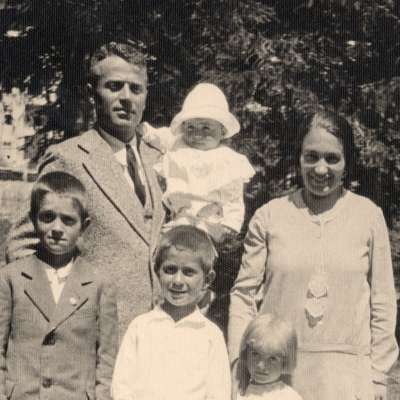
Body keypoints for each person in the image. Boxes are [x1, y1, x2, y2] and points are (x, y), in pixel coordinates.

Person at [228, 110, 398, 400]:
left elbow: (382, 302)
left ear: (347, 164)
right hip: (276, 378)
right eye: (311, 156)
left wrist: (378, 376)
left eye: (332, 158)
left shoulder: (369, 216)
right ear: (299, 158)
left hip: (346, 380)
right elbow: (243, 297)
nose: (321, 169)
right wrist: (238, 368)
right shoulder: (269, 216)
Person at [5, 40, 165, 335]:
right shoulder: (70, 158)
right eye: (114, 86)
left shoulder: (161, 159)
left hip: (157, 336)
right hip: (92, 339)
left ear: (145, 96)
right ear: (93, 94)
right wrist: (57, 322)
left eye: (135, 88)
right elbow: (24, 246)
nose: (126, 98)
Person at [0, 171, 118, 400]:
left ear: (84, 226)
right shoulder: (10, 279)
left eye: (68, 220)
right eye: (47, 217)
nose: (57, 228)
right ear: (33, 219)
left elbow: (107, 361)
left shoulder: (99, 284)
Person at [111, 225, 231, 400]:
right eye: (170, 270)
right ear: (157, 271)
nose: (178, 281)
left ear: (207, 280)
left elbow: (219, 393)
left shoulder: (211, 335)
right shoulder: (141, 327)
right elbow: (121, 386)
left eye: (188, 272)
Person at [142, 83, 255, 243]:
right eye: (190, 127)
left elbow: (234, 197)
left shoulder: (228, 160)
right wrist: (146, 131)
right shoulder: (177, 144)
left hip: (211, 218)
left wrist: (231, 223)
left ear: (222, 131)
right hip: (182, 215)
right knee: (174, 242)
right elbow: (159, 136)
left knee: (201, 248)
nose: (197, 134)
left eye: (206, 128)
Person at [236, 313, 302, 400]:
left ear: (285, 361)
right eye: (255, 354)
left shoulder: (288, 396)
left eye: (272, 359)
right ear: (246, 352)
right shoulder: (239, 391)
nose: (261, 365)